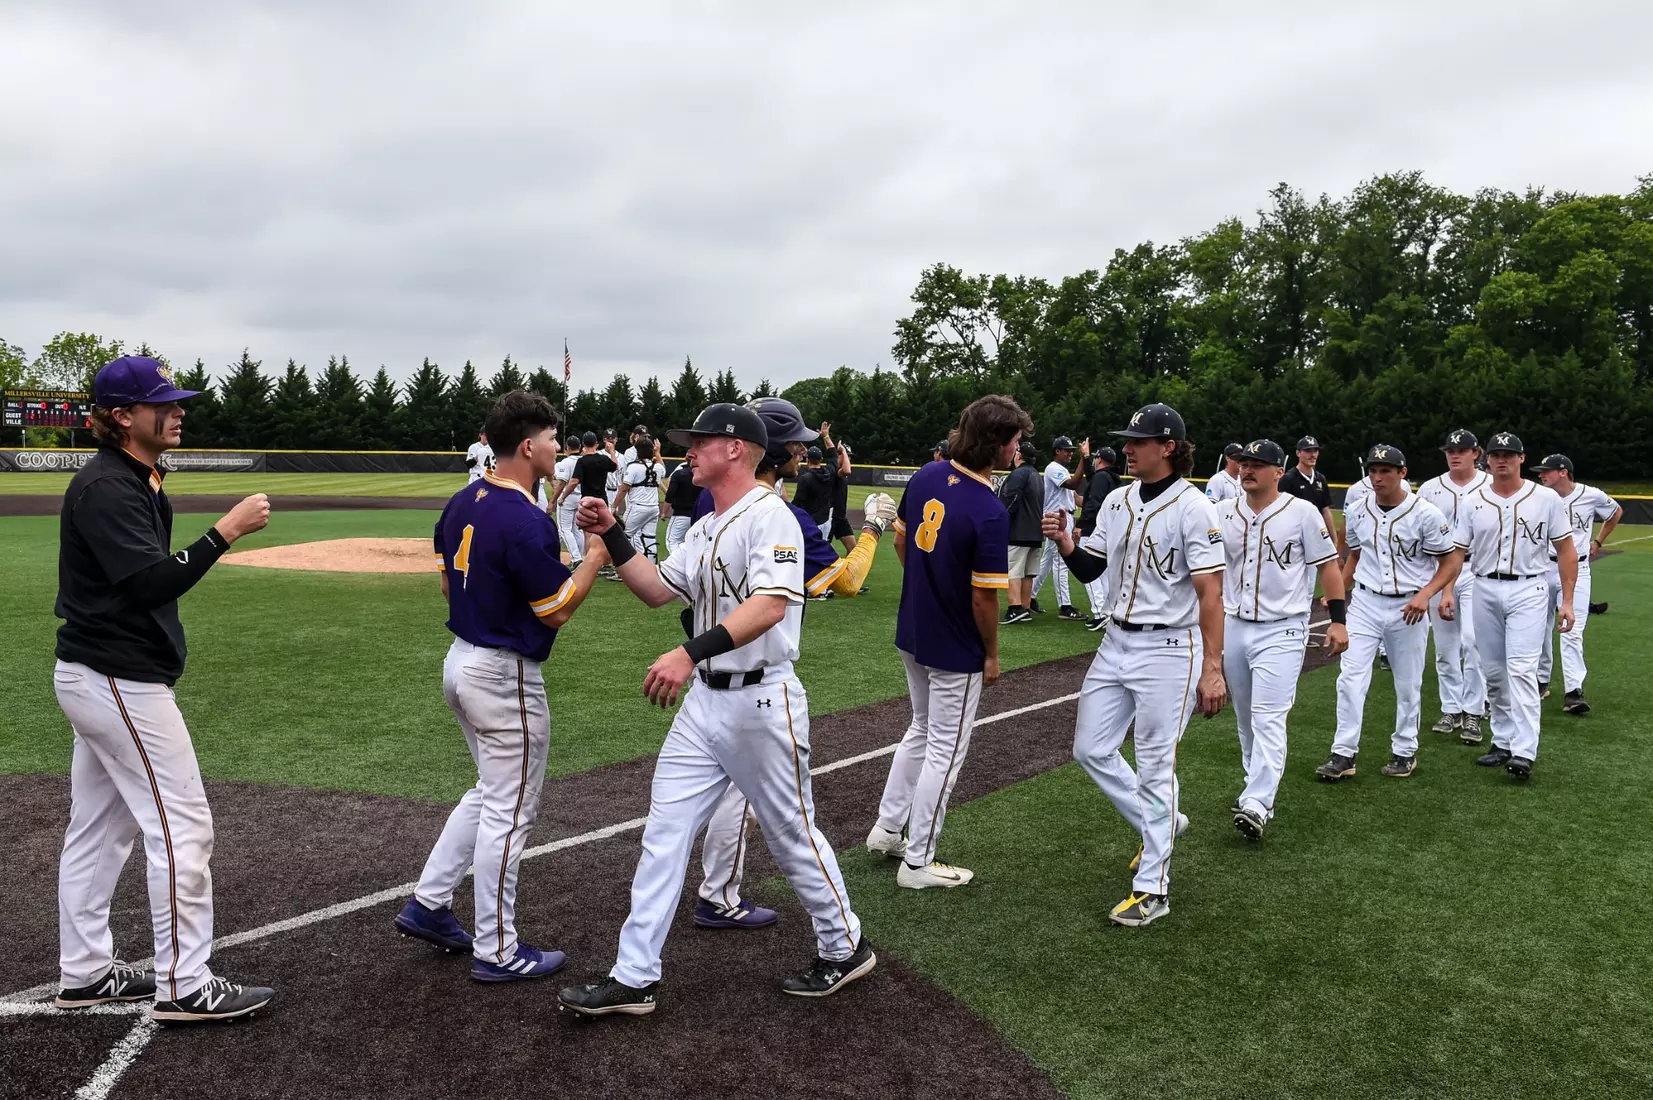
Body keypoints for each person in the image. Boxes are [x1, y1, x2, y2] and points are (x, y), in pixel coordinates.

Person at [557, 403, 874, 1018]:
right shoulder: (705, 526)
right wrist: (613, 533)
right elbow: (654, 590)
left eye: (699, 441)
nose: (688, 451)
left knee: (790, 834)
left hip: (762, 700)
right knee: (664, 832)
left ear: (736, 449)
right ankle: (634, 975)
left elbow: (771, 607)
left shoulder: (771, 516)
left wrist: (687, 650)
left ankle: (845, 944)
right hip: (706, 701)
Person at [52, 354, 276, 1022]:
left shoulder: (137, 477)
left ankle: (85, 970)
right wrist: (224, 532)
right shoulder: (107, 487)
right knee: (183, 826)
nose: (178, 411)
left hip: (102, 675)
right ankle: (184, 983)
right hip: (118, 680)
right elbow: (149, 583)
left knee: (101, 828)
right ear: (122, 416)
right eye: (163, 403)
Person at [397, 391, 608, 982]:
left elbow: (446, 587)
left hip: (460, 659)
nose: (556, 448)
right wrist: (593, 555)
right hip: (503, 672)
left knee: (491, 793)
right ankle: (498, 950)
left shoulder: (464, 498)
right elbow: (558, 607)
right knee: (511, 811)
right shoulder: (523, 518)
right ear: (525, 445)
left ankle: (430, 902)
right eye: (550, 439)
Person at [693, 398, 897, 927]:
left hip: (709, 667)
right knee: (785, 817)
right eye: (798, 444)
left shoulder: (711, 503)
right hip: (756, 675)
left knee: (725, 795)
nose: (804, 451)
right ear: (777, 449)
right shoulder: (784, 516)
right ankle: (838, 934)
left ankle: (718, 893)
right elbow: (846, 582)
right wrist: (873, 528)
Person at [1043, 403, 1226, 928]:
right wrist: (1064, 541)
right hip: (1116, 641)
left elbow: (1210, 595)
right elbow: (1091, 565)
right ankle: (1164, 825)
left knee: (1154, 765)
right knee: (1090, 749)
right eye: (1128, 439)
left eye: (1138, 440)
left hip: (1170, 649)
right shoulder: (1120, 499)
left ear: (1168, 446)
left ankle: (1154, 888)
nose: (1127, 446)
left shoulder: (1196, 507)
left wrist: (1212, 668)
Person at [868, 395, 1027, 888]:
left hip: (913, 628)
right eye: (1015, 441)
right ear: (995, 443)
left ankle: (887, 829)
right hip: (954, 644)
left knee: (920, 730)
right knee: (945, 748)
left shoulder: (928, 474)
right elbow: (984, 600)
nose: (1018, 450)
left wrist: (928, 585)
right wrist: (993, 653)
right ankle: (917, 861)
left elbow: (900, 541)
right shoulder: (988, 508)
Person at [1214, 440, 1347, 840]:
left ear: (1278, 472)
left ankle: (1258, 801)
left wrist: (1337, 621)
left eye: (1259, 464)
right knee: (1245, 716)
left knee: (1269, 715)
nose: (1248, 469)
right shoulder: (1221, 512)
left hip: (1284, 627)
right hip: (1235, 624)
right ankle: (1255, 784)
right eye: (1244, 463)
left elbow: (1328, 567)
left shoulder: (1302, 512)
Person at [1315, 445, 1461, 782]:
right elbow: (1354, 553)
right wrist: (1340, 588)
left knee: (1407, 682)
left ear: (1402, 473)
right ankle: (1343, 752)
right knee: (1350, 678)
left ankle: (1405, 750)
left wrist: (1427, 594)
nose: (1377, 477)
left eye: (1386, 471)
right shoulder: (1359, 507)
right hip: (1365, 602)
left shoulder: (1425, 513)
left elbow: (1451, 560)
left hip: (1407, 605)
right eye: (1373, 470)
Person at [1453, 433, 1577, 778]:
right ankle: (1502, 740)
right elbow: (1458, 551)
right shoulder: (1472, 500)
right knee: (1492, 670)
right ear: (1487, 460)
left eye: (1509, 454)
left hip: (1529, 588)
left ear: (1522, 458)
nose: (1502, 460)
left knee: (1521, 670)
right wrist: (1447, 589)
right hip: (1484, 586)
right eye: (1496, 454)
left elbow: (1566, 549)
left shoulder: (1546, 498)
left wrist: (1567, 600)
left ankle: (1524, 750)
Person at [1532, 453, 1620, 715]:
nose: (1540, 475)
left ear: (1562, 472)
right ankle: (1540, 681)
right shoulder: (1537, 496)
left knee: (1572, 629)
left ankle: (1573, 691)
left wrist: (1599, 541)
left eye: (1546, 471)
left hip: (1578, 568)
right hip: (1541, 567)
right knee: (1538, 628)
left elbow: (1616, 512)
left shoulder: (1590, 495)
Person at [1417, 429, 1490, 742]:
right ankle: (1452, 708)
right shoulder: (1431, 488)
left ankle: (1474, 711)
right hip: (1438, 570)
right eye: (1450, 450)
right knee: (1445, 647)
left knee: (1473, 641)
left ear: (1476, 452)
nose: (1455, 454)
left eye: (1462, 449)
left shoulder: (1489, 485)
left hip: (1477, 569)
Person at [1030, 435, 1089, 620]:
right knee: (1061, 563)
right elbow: (1072, 483)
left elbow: (1077, 499)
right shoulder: (1053, 468)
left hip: (1064, 516)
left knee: (1047, 562)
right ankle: (1065, 606)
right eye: (1067, 451)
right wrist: (1083, 459)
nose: (1070, 454)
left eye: (1072, 451)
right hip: (1056, 518)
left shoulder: (1061, 470)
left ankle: (1030, 596)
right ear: (1057, 451)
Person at [1074, 445, 1121, 632]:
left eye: (1095, 458)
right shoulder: (1111, 478)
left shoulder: (1101, 478)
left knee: (1090, 573)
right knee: (1103, 575)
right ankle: (1107, 612)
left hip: (1094, 530)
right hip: (1109, 530)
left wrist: (1081, 524)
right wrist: (1085, 456)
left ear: (1100, 459)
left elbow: (1093, 503)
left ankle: (1100, 613)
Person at [997, 440, 1043, 624]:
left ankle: (1015, 608)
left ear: (1018, 455)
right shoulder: (1037, 475)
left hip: (1019, 531)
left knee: (1014, 571)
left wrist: (1002, 521)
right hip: (1035, 532)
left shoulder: (1019, 473)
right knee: (1028, 572)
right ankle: (1024, 607)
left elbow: (1012, 498)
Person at [613, 437, 667, 562]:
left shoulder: (633, 467)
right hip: (653, 508)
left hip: (637, 507)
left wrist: (614, 506)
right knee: (649, 538)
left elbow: (624, 488)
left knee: (622, 536)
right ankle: (651, 567)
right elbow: (663, 469)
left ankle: (624, 568)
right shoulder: (657, 467)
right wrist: (658, 453)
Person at [1279, 435, 1338, 549]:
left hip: (1318, 532)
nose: (1313, 455)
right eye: (1308, 451)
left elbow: (1325, 510)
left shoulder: (1320, 479)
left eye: (1315, 450)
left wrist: (1334, 540)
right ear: (1298, 453)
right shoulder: (1288, 479)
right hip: (1295, 536)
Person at [789, 444, 836, 539]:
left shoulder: (805, 478)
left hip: (811, 524)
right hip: (826, 522)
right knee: (822, 551)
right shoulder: (830, 473)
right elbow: (833, 458)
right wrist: (826, 437)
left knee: (809, 552)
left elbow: (798, 502)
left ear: (807, 460)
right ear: (821, 459)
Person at [550, 443, 582, 567]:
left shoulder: (564, 463)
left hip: (567, 497)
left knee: (564, 529)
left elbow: (561, 482)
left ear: (567, 448)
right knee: (576, 529)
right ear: (579, 446)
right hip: (580, 497)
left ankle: (576, 558)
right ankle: (579, 557)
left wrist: (554, 500)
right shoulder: (583, 460)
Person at [663, 459, 699, 556]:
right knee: (690, 544)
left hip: (681, 514)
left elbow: (670, 494)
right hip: (699, 517)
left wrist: (664, 513)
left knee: (672, 541)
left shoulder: (679, 474)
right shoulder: (704, 475)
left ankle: (677, 567)